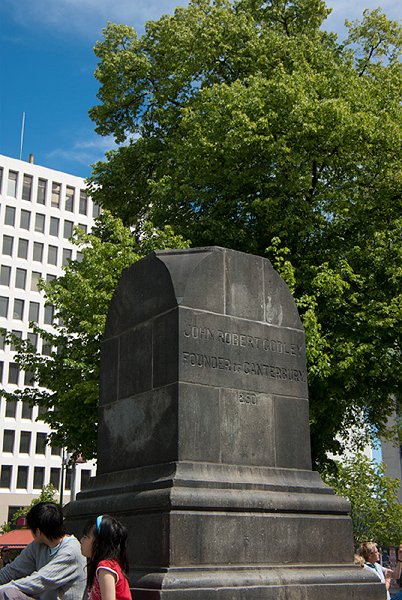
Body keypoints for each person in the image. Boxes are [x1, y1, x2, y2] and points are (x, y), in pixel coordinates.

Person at [0, 502, 86, 600]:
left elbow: (39, 581)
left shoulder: (71, 551)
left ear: (38, 531)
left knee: (7, 593)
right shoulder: (37, 546)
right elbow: (11, 571)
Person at [80, 515, 131, 600]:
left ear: (99, 543)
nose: (81, 540)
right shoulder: (103, 566)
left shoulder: (105, 567)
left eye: (86, 537)